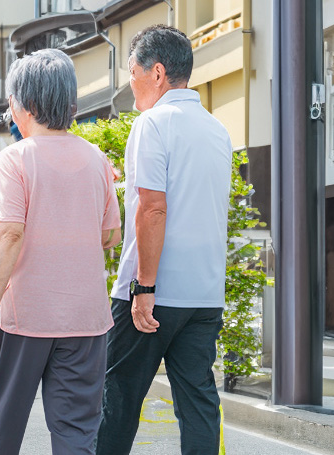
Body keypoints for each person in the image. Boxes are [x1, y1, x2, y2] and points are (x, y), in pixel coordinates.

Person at [0, 48, 121, 455]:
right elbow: (110, 237)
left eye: (12, 100)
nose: (11, 108)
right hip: (86, 321)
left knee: (3, 427)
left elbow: (9, 235)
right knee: (75, 434)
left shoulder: (14, 159)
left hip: (25, 319)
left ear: (28, 104)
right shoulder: (97, 159)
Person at [96, 26, 232, 455]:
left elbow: (153, 208)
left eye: (132, 71)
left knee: (118, 398)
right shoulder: (217, 130)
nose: (129, 81)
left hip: (154, 292)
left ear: (156, 73)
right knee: (198, 403)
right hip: (205, 294)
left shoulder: (152, 123)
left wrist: (144, 287)